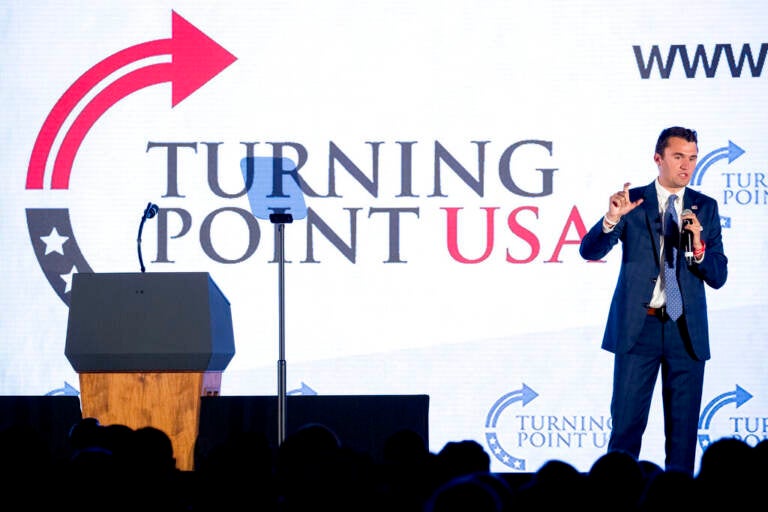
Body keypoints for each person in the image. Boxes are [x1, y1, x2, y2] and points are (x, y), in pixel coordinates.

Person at [579, 126, 728, 476]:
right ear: (658, 159)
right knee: (625, 431)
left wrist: (698, 246)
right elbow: (590, 250)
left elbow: (718, 276)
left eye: (692, 158)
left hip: (685, 332)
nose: (687, 166)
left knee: (683, 437)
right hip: (638, 328)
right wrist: (612, 218)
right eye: (679, 157)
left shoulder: (704, 208)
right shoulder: (633, 203)